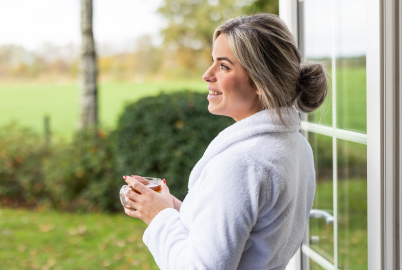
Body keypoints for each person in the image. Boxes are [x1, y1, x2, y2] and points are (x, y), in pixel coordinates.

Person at [122, 13, 328, 270]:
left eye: (224, 66)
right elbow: (237, 231)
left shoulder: (242, 163)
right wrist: (167, 204)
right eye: (212, 62)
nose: (207, 75)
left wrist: (159, 216)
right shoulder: (295, 146)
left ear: (260, 83)